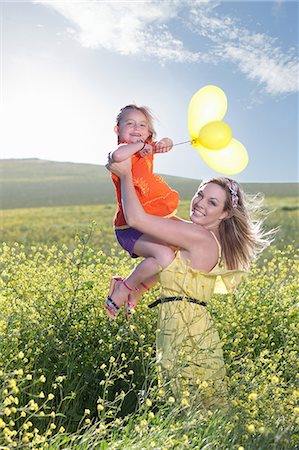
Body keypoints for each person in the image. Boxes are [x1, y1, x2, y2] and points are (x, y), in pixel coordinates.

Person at [106, 156, 273, 408]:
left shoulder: (197, 236)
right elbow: (173, 270)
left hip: (185, 332)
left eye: (212, 202)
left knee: (190, 408)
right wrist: (137, 288)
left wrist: (127, 174)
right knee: (200, 411)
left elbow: (137, 220)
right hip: (189, 327)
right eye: (200, 194)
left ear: (225, 214)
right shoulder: (200, 238)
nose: (200, 203)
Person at [106, 104, 179, 319]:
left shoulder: (145, 149)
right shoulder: (121, 152)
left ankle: (137, 290)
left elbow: (169, 143)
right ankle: (123, 288)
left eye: (142, 125)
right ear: (117, 130)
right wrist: (140, 145)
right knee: (165, 256)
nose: (136, 129)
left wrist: (164, 143)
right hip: (129, 227)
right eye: (130, 124)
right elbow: (118, 155)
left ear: (149, 133)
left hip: (149, 221)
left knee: (175, 253)